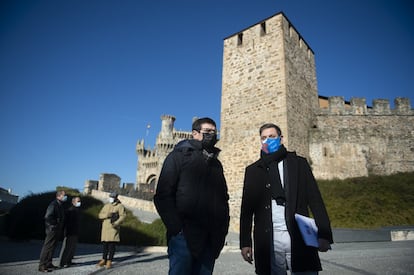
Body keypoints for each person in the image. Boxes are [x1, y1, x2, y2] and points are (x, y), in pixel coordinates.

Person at [240, 123, 333, 275]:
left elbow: (315, 199)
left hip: (299, 234)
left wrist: (324, 234)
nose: (267, 140)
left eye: (272, 137)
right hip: (269, 238)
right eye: (264, 138)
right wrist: (245, 243)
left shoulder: (298, 163)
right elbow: (247, 210)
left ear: (281, 138)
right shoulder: (253, 170)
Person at [154, 117, 230, 275]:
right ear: (195, 133)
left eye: (214, 132)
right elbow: (163, 195)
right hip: (184, 237)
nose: (212, 135)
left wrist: (221, 232)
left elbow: (223, 200)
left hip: (209, 239)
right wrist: (177, 228)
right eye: (207, 131)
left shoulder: (217, 165)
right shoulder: (178, 156)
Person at [38, 190, 67, 272]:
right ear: (58, 196)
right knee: (47, 247)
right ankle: (42, 265)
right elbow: (48, 217)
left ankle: (48, 263)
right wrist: (53, 226)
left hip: (57, 229)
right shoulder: (53, 204)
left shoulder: (60, 205)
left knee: (53, 247)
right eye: (64, 195)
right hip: (52, 229)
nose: (65, 197)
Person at [96, 192, 126, 269]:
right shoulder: (106, 206)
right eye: (110, 197)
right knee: (105, 245)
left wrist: (116, 223)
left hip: (113, 228)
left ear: (116, 198)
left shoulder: (120, 206)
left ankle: (110, 260)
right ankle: (103, 259)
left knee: (111, 245)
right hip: (105, 228)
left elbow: (123, 216)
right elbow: (100, 215)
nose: (111, 198)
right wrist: (106, 215)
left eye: (112, 197)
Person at [59, 196, 81, 268]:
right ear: (73, 202)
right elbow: (66, 222)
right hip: (70, 232)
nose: (79, 203)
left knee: (72, 248)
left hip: (75, 232)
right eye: (78, 201)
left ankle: (69, 261)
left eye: (79, 201)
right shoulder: (70, 210)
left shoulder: (77, 210)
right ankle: (62, 263)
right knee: (66, 248)